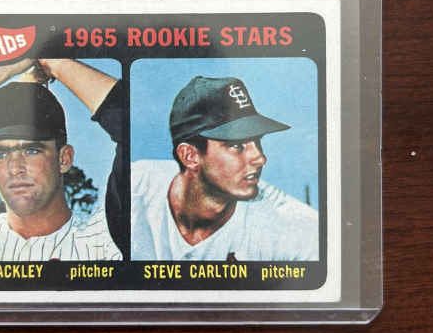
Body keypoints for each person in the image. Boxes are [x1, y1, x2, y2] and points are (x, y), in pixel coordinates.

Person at [0, 57, 124, 261]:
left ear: (64, 159)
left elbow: (128, 126)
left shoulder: (102, 239)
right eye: (0, 154)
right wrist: (12, 63)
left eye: (31, 150)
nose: (14, 168)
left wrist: (54, 62)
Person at [131, 75, 319, 261]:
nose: (260, 158)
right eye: (237, 145)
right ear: (190, 156)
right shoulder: (134, 187)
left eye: (257, 141)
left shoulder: (293, 226)